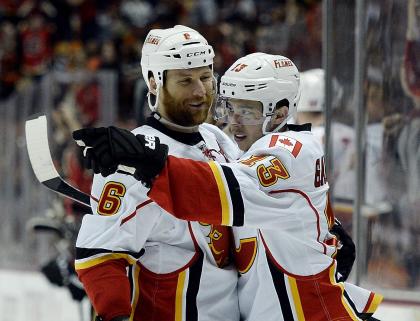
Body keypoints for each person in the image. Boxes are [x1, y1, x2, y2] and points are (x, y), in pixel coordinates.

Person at [74, 53, 381, 321]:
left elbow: (222, 191)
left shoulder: (292, 150)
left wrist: (144, 159)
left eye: (246, 111)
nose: (233, 122)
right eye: (228, 108)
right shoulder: (234, 151)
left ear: (281, 113)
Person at [73, 25, 240, 321]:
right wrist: (115, 314)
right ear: (154, 82)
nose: (200, 91)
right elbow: (101, 255)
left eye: (205, 77)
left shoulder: (217, 139)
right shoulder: (128, 161)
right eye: (186, 80)